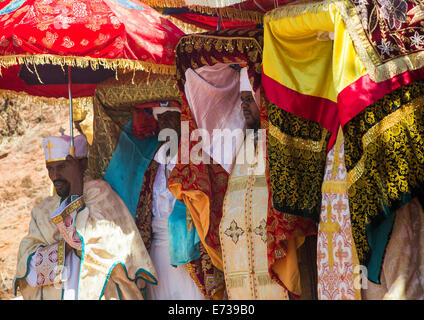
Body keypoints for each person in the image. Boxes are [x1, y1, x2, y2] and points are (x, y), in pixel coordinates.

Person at [14, 134, 157, 300]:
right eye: (50, 168)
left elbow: (79, 239)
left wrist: (76, 187)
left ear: (83, 164)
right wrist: (64, 248)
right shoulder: (41, 210)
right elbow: (28, 265)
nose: (54, 176)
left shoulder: (101, 195)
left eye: (62, 167)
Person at [218, 67, 290, 299]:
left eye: (250, 99)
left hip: (273, 254)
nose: (244, 106)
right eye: (242, 100)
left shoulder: (279, 141)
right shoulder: (243, 143)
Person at [142, 105, 205, 300]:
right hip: (157, 252)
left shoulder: (196, 161)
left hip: (188, 252)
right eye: (161, 120)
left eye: (170, 118)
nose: (165, 125)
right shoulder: (153, 165)